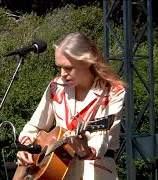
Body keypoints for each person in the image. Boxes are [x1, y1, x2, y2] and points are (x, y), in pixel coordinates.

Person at [15, 32, 127, 180]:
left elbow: (103, 139)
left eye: (68, 68)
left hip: (97, 173)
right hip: (56, 174)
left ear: (87, 61)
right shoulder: (55, 87)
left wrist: (86, 149)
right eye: (59, 67)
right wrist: (27, 149)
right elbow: (34, 126)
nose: (62, 74)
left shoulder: (112, 92)